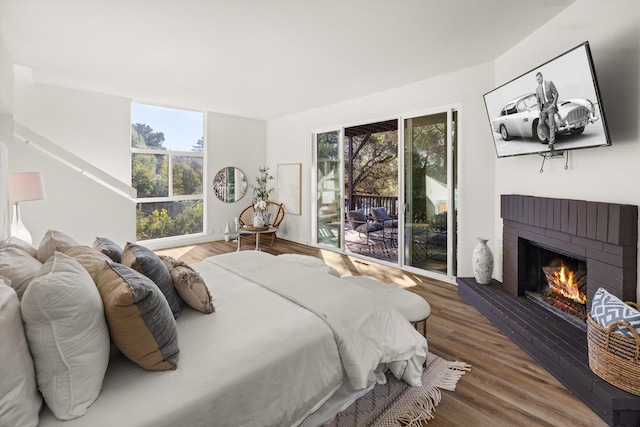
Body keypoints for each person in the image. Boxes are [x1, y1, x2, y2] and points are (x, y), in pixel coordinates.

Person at [535, 71, 559, 149]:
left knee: (551, 125)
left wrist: (553, 104)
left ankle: (551, 143)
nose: (538, 81)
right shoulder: (537, 88)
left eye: (539, 79)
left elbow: (556, 94)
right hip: (543, 108)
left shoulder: (549, 83)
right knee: (541, 124)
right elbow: (538, 100)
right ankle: (549, 139)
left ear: (542, 77)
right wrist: (539, 110)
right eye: (537, 80)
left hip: (550, 106)